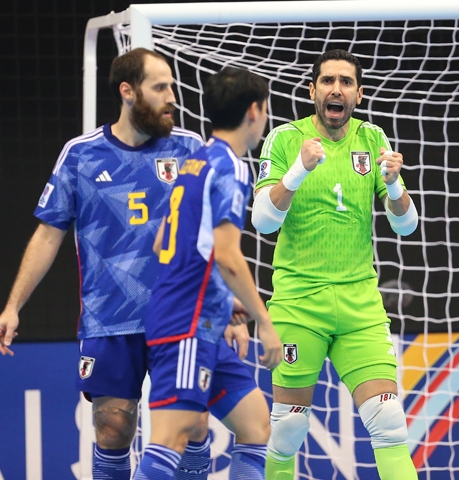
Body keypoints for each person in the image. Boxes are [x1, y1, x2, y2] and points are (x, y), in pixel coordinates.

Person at [0, 48, 218, 479]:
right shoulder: (81, 155)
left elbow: (217, 237)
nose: (172, 96)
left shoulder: (191, 149)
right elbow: (47, 235)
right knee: (113, 428)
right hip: (110, 320)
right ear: (128, 91)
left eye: (172, 85)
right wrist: (13, 306)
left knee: (192, 427)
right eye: (160, 87)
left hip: (181, 319)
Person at [251, 49, 419, 480]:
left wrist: (396, 183)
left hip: (359, 304)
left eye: (346, 82)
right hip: (299, 302)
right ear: (313, 91)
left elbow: (406, 226)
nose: (336, 89)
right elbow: (262, 220)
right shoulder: (287, 139)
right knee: (287, 428)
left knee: (389, 423)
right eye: (327, 81)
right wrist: (298, 172)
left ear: (358, 94)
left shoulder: (373, 139)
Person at [133, 66, 282, 480]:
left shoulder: (195, 161)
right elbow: (228, 256)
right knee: (170, 442)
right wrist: (265, 324)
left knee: (256, 426)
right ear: (254, 111)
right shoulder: (231, 168)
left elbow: (166, 238)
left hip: (203, 322)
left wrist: (220, 298)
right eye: (266, 110)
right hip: (185, 325)